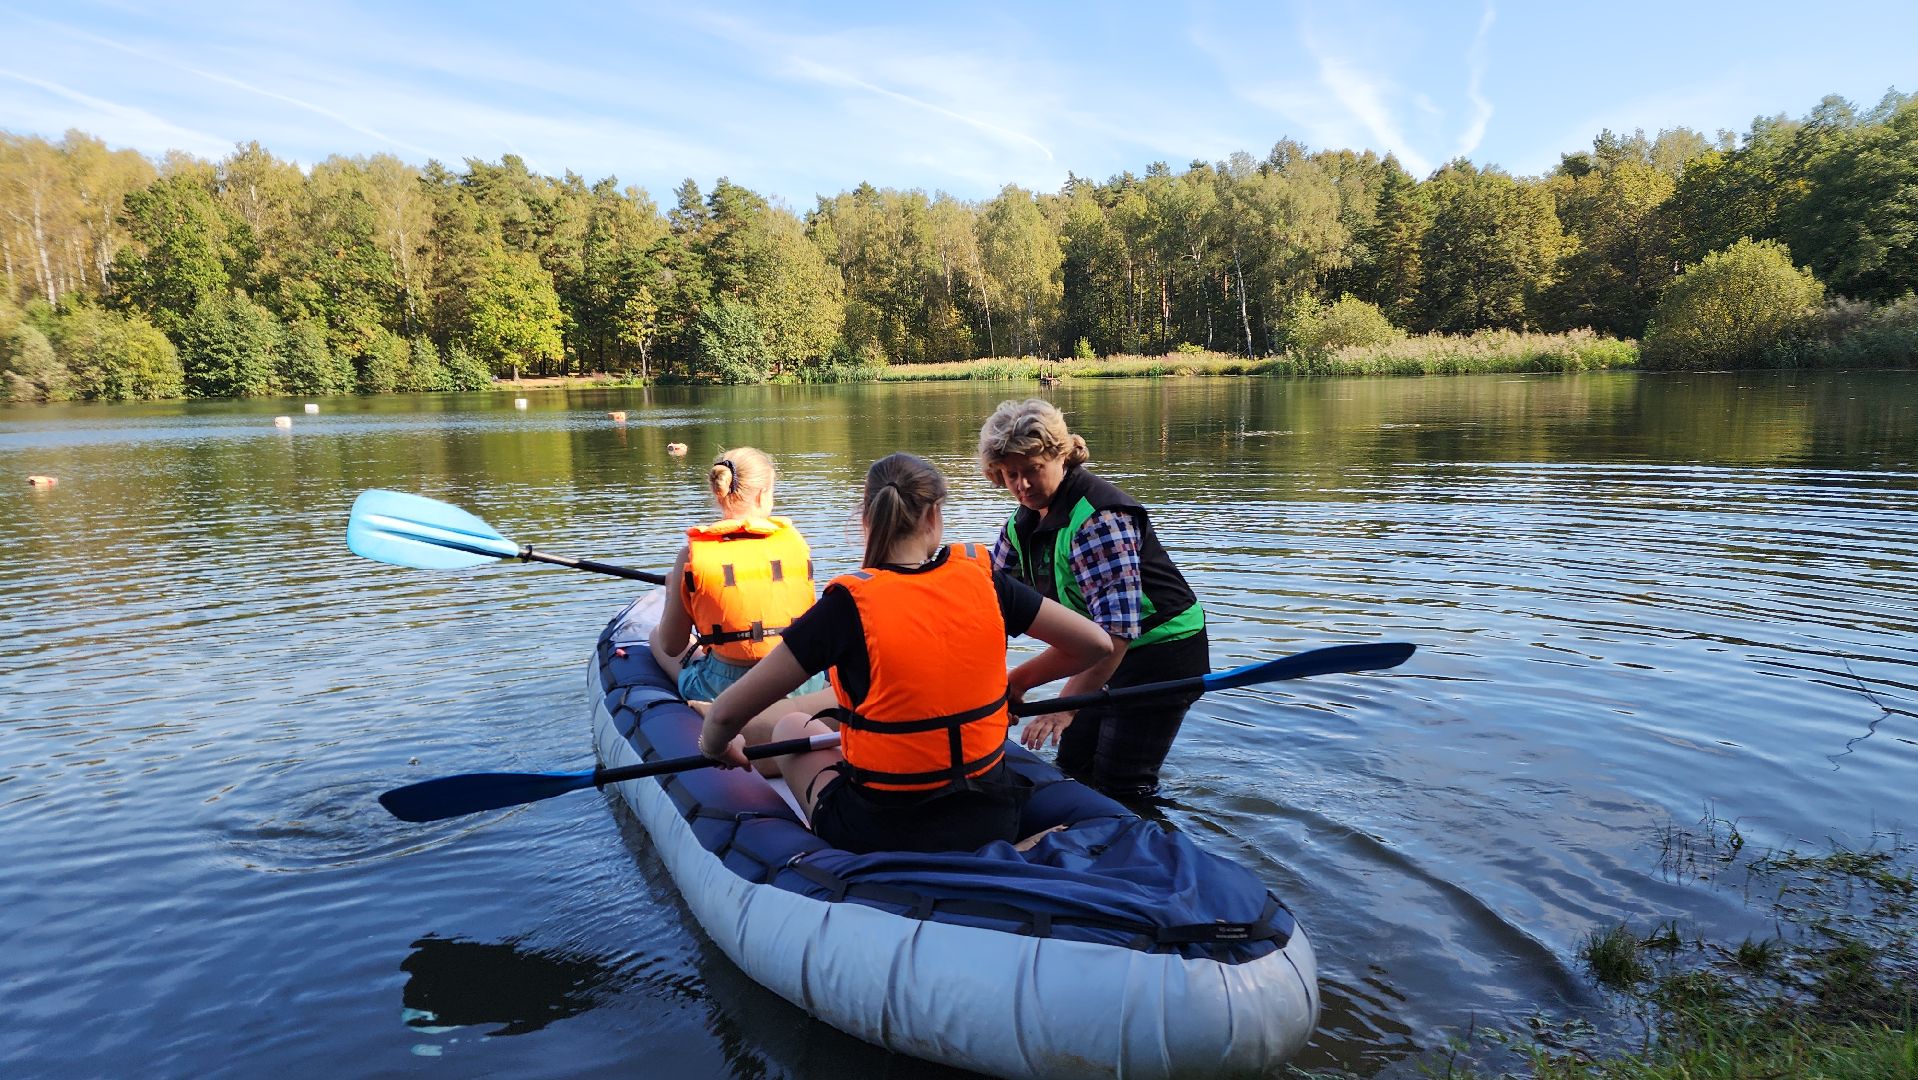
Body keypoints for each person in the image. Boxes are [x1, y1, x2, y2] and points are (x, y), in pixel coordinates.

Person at [697, 452, 1112, 854]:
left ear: (868, 517)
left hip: (884, 831)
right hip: (993, 817)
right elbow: (1095, 644)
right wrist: (1014, 685)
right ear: (934, 516)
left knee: (790, 726)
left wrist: (717, 747)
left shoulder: (845, 606)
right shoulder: (986, 579)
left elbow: (725, 714)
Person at [976, 398, 1210, 798]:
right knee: (1073, 766)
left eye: (1033, 470)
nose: (1023, 485)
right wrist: (990, 687)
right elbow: (987, 608)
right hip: (1100, 653)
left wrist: (1060, 702)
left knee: (1122, 783)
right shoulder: (1021, 525)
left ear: (1061, 456)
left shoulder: (1099, 520)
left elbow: (1117, 633)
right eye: (1011, 474)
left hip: (1161, 656)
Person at [651, 447, 818, 703]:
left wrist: (673, 590)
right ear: (763, 494)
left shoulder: (691, 556)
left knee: (654, 637)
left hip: (724, 687)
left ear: (717, 494)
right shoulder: (796, 545)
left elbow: (671, 646)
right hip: (798, 680)